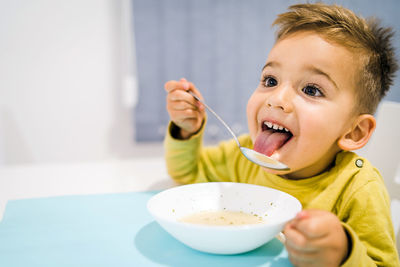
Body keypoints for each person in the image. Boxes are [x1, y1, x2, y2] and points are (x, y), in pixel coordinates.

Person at [163, 3, 399, 266]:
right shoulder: (245, 155)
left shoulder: (357, 188)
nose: (277, 99)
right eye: (270, 80)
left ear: (354, 132)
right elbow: (188, 174)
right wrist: (186, 130)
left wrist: (343, 253)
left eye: (311, 90)